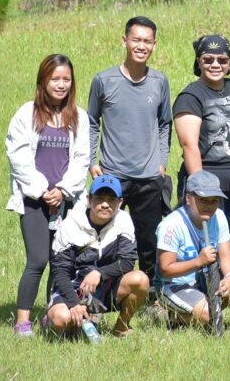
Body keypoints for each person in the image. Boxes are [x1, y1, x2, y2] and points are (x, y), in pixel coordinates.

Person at [6, 54, 90, 337]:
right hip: (34, 199)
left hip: (67, 201)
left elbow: (82, 159)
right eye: (55, 79)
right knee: (38, 259)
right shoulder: (26, 114)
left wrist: (64, 190)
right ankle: (22, 322)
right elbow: (17, 156)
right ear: (43, 80)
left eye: (66, 79)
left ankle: (52, 315)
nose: (61, 84)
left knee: (61, 260)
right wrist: (42, 190)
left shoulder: (79, 117)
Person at [87, 16, 172, 287]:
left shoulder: (160, 81)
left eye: (147, 41)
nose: (141, 46)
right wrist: (91, 161)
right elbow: (91, 122)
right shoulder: (104, 80)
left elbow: (164, 124)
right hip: (113, 176)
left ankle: (149, 294)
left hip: (149, 176)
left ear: (154, 45)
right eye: (136, 39)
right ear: (124, 40)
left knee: (149, 239)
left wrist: (161, 161)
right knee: (109, 237)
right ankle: (106, 293)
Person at [172, 35, 230, 279]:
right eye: (208, 59)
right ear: (198, 61)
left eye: (222, 59)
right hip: (209, 181)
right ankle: (205, 294)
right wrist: (201, 189)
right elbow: (189, 145)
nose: (215, 64)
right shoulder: (190, 96)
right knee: (207, 241)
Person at [46, 175, 149, 338]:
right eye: (99, 198)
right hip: (74, 287)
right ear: (88, 199)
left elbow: (128, 262)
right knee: (61, 319)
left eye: (111, 199)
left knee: (141, 279)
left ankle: (121, 327)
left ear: (120, 202)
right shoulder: (70, 224)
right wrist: (73, 304)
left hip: (106, 287)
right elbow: (60, 271)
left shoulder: (123, 220)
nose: (105, 204)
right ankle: (54, 320)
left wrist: (99, 274)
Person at [155, 170, 230, 326]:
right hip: (174, 285)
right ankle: (182, 317)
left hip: (204, 281)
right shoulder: (171, 225)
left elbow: (226, 257)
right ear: (188, 198)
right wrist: (198, 261)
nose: (209, 206)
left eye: (214, 200)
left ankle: (203, 312)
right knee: (210, 317)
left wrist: (229, 277)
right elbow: (165, 270)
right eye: (203, 200)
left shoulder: (219, 216)